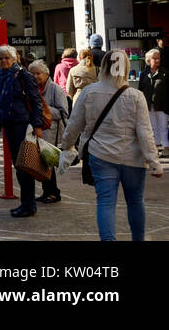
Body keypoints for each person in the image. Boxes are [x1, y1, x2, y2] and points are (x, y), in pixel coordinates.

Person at [60, 49, 164, 240]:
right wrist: (154, 162)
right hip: (133, 157)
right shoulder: (136, 96)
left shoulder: (89, 92)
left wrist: (66, 146)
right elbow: (145, 132)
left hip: (101, 155)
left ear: (104, 66)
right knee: (135, 201)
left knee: (106, 203)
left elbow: (74, 124)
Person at [0, 46, 46, 219]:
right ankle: (26, 203)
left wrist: (37, 125)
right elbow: (1, 106)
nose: (4, 61)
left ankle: (28, 204)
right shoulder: (3, 77)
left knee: (24, 166)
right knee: (19, 166)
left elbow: (36, 102)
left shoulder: (23, 75)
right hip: (10, 126)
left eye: (6, 58)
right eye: (0, 59)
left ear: (14, 59)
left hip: (23, 126)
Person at [29, 59, 69, 204]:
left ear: (46, 74)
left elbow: (63, 113)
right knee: (41, 164)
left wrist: (43, 109)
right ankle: (47, 191)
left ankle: (53, 193)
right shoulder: (32, 89)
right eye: (32, 74)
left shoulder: (55, 89)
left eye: (38, 73)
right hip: (37, 132)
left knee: (48, 163)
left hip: (52, 132)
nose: (35, 77)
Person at [137, 49, 168, 155]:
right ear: (148, 60)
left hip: (162, 105)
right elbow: (140, 89)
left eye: (158, 57)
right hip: (148, 105)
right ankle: (155, 147)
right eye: (155, 58)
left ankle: (166, 148)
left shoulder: (165, 73)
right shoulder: (144, 74)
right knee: (152, 127)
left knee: (163, 126)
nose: (157, 60)